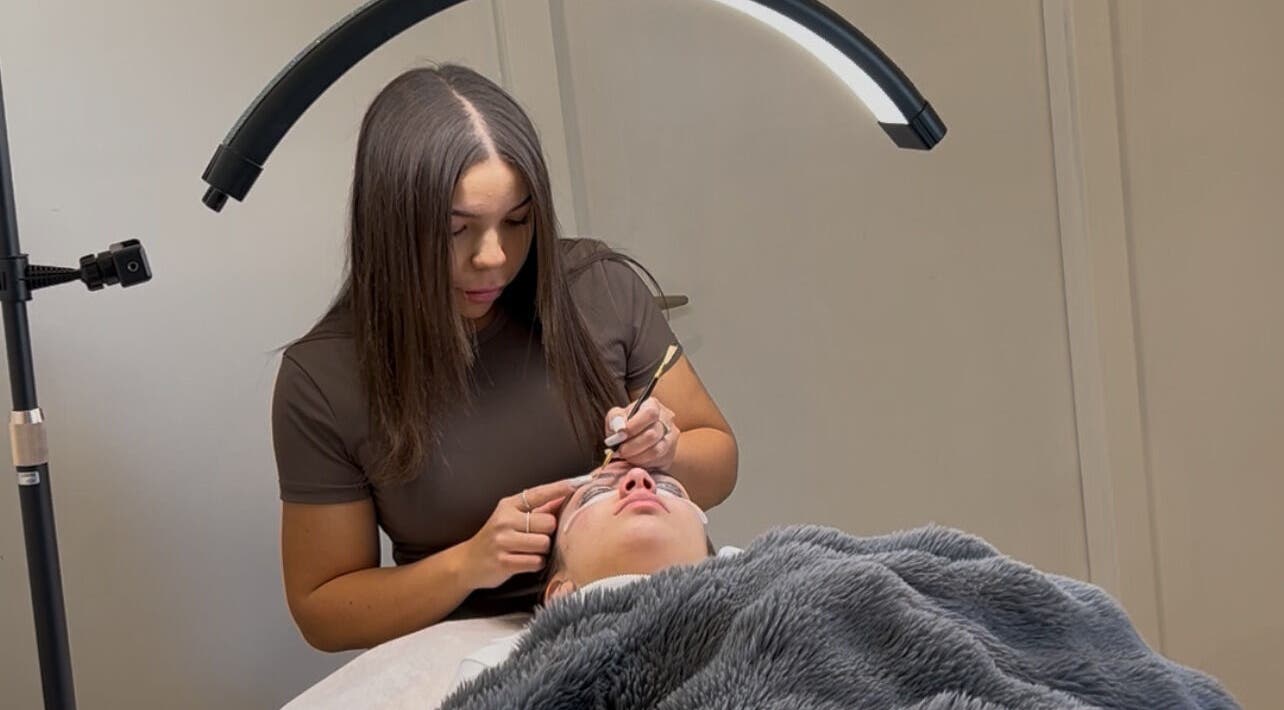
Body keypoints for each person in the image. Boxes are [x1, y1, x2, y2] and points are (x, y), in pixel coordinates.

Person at [270, 64, 738, 653]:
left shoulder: (598, 290)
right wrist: (468, 564)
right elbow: (324, 610)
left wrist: (669, 453)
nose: (494, 257)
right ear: (392, 227)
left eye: (517, 221)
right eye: (455, 230)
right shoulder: (324, 380)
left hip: (657, 613)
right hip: (466, 650)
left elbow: (719, 461)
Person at [453, 462, 733, 688]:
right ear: (561, 594)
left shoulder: (763, 592)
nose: (639, 478)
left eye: (670, 487)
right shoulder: (501, 667)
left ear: (717, 562)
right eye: (594, 494)